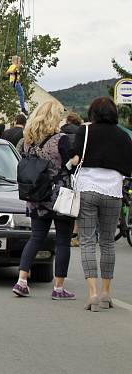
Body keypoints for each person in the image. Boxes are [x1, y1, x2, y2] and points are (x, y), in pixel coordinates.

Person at [69, 97, 132, 311]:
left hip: (87, 188)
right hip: (113, 190)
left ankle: (93, 293)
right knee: (107, 242)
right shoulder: (123, 136)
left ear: (93, 113)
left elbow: (75, 159)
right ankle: (106, 292)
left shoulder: (84, 132)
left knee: (87, 241)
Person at [12, 100, 75, 300]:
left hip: (36, 194)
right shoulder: (61, 139)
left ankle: (22, 281)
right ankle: (58, 288)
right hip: (59, 195)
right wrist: (75, 160)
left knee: (36, 237)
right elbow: (70, 163)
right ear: (54, 117)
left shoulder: (27, 139)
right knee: (63, 241)